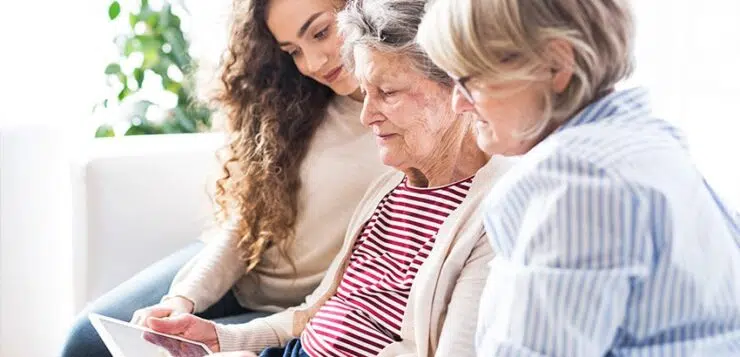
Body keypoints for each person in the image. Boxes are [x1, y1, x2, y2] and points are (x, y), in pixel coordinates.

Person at [144, 0, 517, 356]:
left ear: (458, 87)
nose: (367, 114)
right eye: (293, 50)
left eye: (386, 93)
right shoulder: (386, 187)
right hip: (276, 319)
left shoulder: (490, 211)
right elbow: (313, 313)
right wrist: (221, 337)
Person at [59, 0, 391, 355]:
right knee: (86, 339)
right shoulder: (302, 105)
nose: (312, 63)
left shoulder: (411, 124)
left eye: (320, 32)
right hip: (237, 271)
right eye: (293, 51)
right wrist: (183, 297)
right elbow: (246, 222)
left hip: (288, 310)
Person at [417, 0, 740, 356]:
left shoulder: (576, 180)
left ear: (556, 65)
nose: (458, 105)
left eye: (470, 80)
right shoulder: (646, 142)